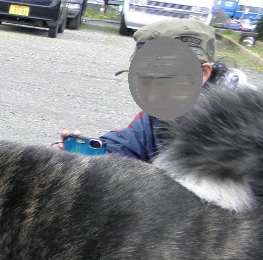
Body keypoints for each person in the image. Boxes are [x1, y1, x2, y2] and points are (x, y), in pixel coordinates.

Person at [55, 19, 227, 162]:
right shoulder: (155, 118)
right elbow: (126, 146)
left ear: (202, 74)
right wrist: (83, 160)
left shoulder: (242, 131)